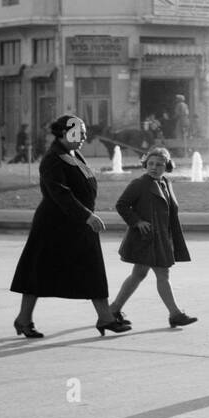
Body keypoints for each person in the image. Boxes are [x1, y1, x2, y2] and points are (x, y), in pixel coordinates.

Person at [9, 115, 131, 338]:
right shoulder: (53, 158)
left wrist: (86, 215)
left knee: (92, 269)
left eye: (84, 132)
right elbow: (60, 194)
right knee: (38, 273)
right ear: (64, 133)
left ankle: (105, 318)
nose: (83, 136)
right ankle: (23, 319)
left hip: (77, 223)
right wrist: (87, 215)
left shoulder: (73, 154)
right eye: (78, 132)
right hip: (53, 225)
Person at [109, 147, 198, 326]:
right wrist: (137, 222)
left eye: (159, 164)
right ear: (145, 165)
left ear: (167, 166)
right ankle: (175, 314)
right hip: (147, 239)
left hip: (160, 238)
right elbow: (121, 205)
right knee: (162, 274)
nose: (154, 167)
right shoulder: (139, 184)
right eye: (150, 164)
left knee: (138, 274)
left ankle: (113, 310)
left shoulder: (166, 182)